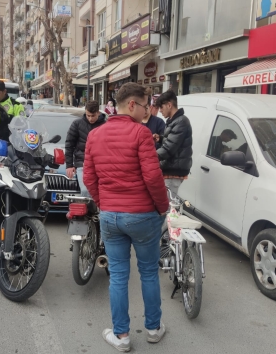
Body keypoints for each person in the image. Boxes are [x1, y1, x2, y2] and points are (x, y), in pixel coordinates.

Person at [83, 82, 169, 352]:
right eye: (145, 106)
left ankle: (121, 336)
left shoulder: (95, 136)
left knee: (118, 276)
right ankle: (154, 329)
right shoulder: (141, 134)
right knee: (148, 273)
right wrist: (162, 207)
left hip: (111, 216)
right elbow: (153, 178)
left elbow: (89, 177)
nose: (148, 111)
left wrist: (103, 203)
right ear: (132, 104)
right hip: (143, 215)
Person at [154, 90, 193, 196]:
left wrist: (150, 157)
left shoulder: (181, 121)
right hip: (170, 169)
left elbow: (169, 148)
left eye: (161, 107)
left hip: (173, 172)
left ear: (169, 105)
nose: (160, 111)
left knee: (169, 207)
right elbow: (174, 141)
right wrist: (161, 138)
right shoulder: (174, 120)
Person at [65, 100, 106, 197]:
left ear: (98, 113)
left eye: (93, 116)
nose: (90, 119)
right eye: (88, 115)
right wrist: (69, 165)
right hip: (82, 163)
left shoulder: (105, 126)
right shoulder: (77, 124)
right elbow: (69, 144)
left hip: (100, 164)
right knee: (86, 190)